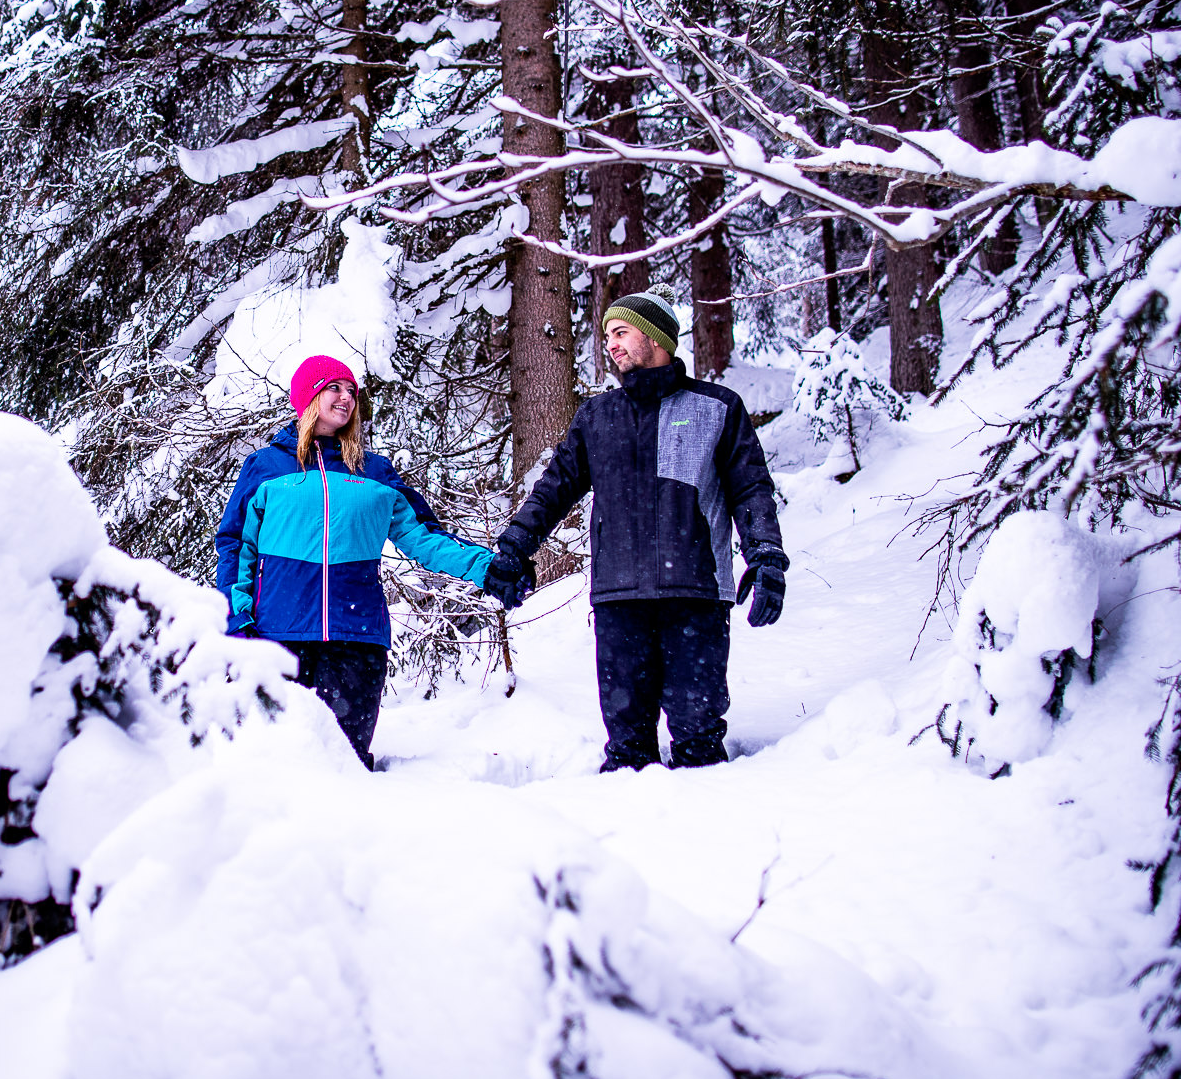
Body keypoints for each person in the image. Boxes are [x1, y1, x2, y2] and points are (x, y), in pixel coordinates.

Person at [488, 288, 788, 771]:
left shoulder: (718, 407)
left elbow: (750, 489)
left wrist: (767, 558)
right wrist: (513, 547)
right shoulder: (597, 416)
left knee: (699, 741)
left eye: (621, 332)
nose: (611, 344)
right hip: (618, 597)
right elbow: (553, 490)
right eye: (607, 335)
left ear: (655, 336)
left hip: (696, 593)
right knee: (627, 750)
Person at [215, 354, 526, 767]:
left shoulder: (374, 472)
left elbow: (423, 538)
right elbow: (237, 546)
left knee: (347, 766)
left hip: (356, 642)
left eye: (351, 391)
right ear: (308, 397)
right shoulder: (266, 467)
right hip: (278, 637)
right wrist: (238, 621)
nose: (346, 398)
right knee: (275, 768)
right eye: (334, 388)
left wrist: (487, 568)